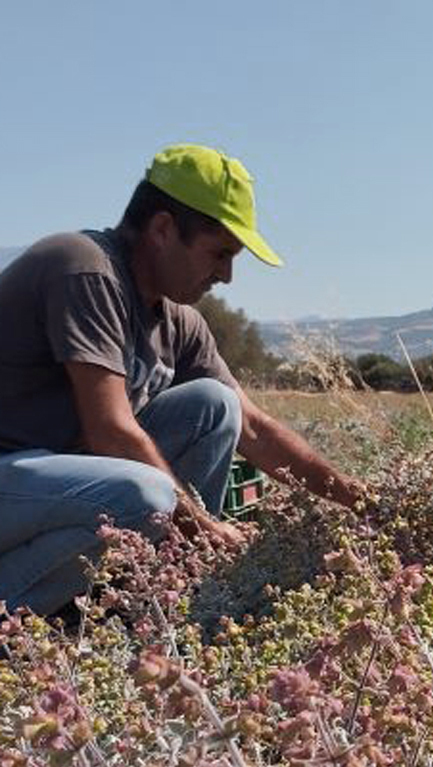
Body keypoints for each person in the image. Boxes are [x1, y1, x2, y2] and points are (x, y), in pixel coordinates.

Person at [0, 143, 365, 616]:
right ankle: (23, 617)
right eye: (219, 253)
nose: (228, 276)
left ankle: (140, 602)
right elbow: (109, 431)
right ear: (163, 229)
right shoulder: (84, 268)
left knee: (215, 406)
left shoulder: (179, 322)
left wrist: (360, 501)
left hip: (57, 488)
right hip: (13, 478)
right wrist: (201, 528)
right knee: (144, 496)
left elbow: (254, 428)